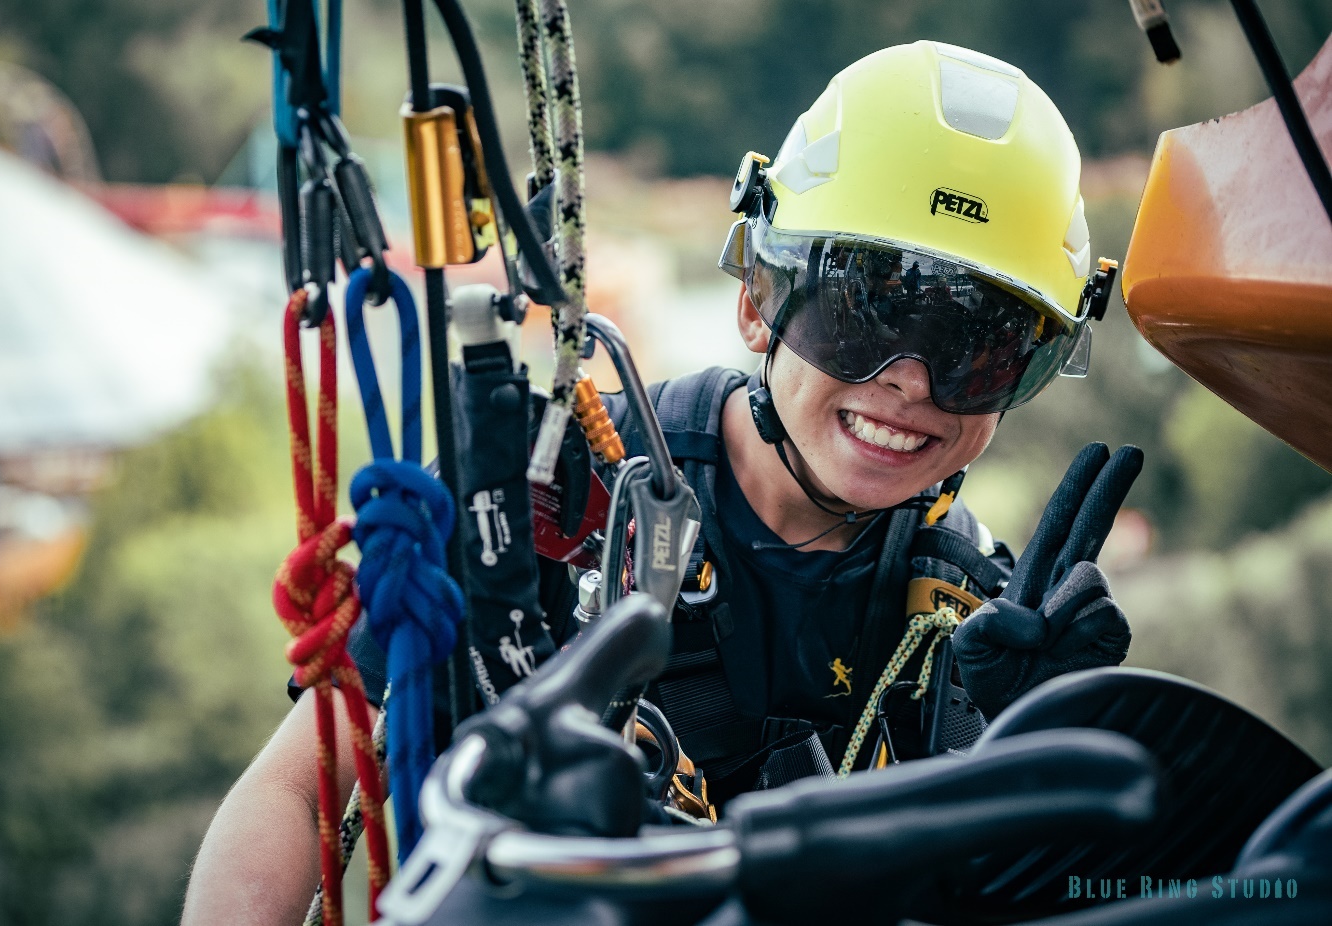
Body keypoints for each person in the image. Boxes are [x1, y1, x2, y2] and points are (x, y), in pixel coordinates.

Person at [182, 40, 1135, 923]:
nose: (911, 384)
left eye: (979, 348)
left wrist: (1022, 753)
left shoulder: (970, 618)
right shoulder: (546, 497)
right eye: (863, 315)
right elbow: (305, 785)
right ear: (758, 303)